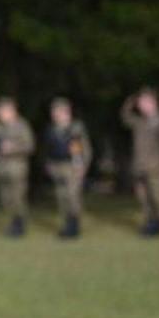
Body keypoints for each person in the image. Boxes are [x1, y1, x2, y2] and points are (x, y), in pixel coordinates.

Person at [121, 87, 159, 237]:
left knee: (157, 198)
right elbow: (125, 118)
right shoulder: (140, 121)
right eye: (140, 102)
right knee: (143, 197)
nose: (141, 105)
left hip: (157, 168)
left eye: (143, 102)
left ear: (153, 102)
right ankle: (150, 222)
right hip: (140, 166)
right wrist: (129, 103)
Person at [0, 97, 35, 237]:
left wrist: (13, 148)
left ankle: (20, 225)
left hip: (17, 167)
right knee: (5, 198)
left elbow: (30, 146)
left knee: (18, 197)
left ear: (12, 111)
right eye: (0, 111)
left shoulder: (22, 125)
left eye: (4, 111)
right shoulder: (0, 127)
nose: (1, 114)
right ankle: (14, 222)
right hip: (3, 167)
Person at [44, 97, 92, 238]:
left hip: (72, 166)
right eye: (54, 111)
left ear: (66, 111)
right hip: (57, 166)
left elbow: (85, 148)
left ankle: (74, 225)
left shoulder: (76, 128)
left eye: (59, 111)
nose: (56, 114)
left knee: (72, 196)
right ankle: (66, 224)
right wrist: (49, 165)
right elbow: (48, 150)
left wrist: (83, 165)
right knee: (61, 197)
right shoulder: (52, 129)